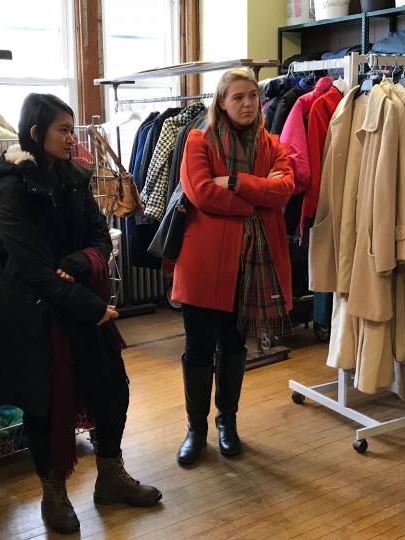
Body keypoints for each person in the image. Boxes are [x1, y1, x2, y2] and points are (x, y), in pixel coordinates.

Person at [0, 93, 161, 534]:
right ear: (35, 133)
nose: (71, 137)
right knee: (45, 407)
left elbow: (100, 237)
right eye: (62, 130)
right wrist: (93, 307)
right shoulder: (13, 187)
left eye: (71, 128)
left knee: (112, 391)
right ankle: (54, 494)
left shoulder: (75, 177)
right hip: (36, 315)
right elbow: (30, 269)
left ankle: (111, 478)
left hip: (80, 302)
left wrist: (80, 263)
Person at [172, 69, 295, 465]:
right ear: (221, 102)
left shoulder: (271, 143)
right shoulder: (199, 140)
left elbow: (285, 189)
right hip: (204, 263)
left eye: (253, 96)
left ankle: (227, 421)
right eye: (238, 97)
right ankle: (196, 428)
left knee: (234, 345)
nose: (247, 103)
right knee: (197, 348)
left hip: (251, 265)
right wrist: (257, 199)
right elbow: (201, 192)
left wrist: (237, 182)